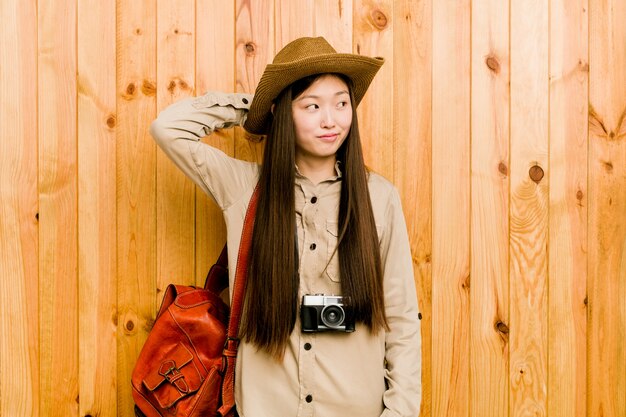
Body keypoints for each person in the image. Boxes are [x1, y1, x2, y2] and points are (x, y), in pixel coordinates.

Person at [150, 36, 421, 417]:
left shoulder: (379, 197)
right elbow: (168, 128)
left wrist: (400, 411)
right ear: (283, 111)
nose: (331, 120)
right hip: (265, 406)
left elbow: (402, 316)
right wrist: (259, 109)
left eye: (342, 103)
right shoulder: (243, 188)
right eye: (312, 106)